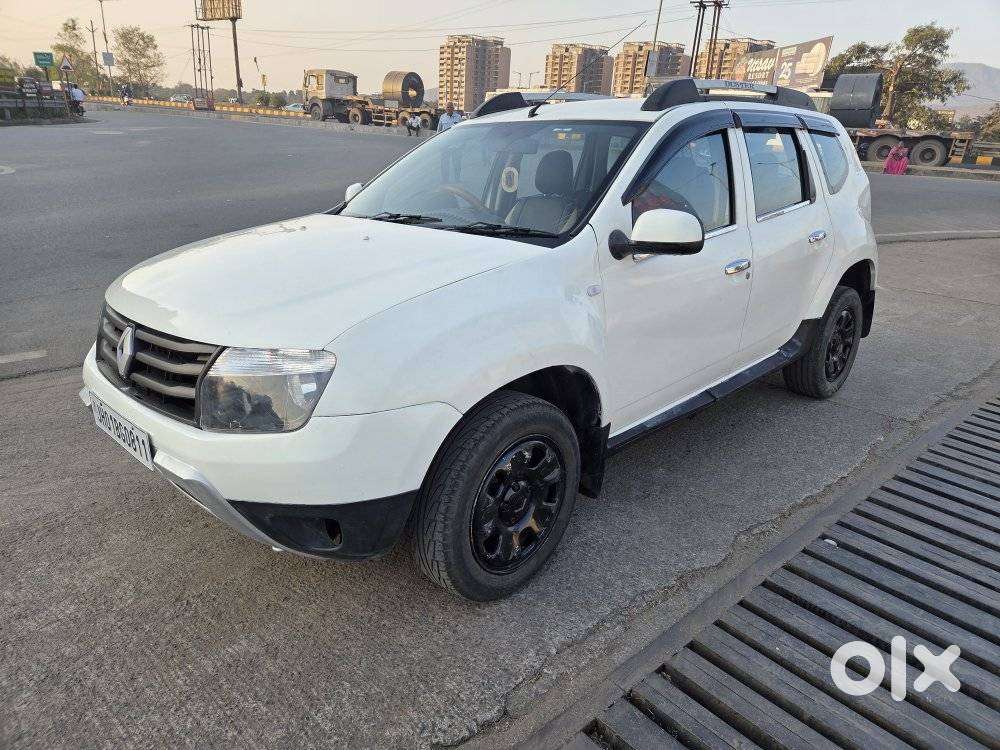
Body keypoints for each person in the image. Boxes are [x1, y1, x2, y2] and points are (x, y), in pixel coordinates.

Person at [436, 102, 463, 181]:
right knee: (444, 164)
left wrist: (461, 144)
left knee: (457, 164)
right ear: (445, 109)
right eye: (447, 107)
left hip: (456, 146)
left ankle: (457, 179)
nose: (449, 109)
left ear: (453, 108)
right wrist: (439, 144)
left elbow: (461, 132)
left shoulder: (458, 117)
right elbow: (439, 131)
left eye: (450, 107)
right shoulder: (442, 117)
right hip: (445, 145)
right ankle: (445, 180)